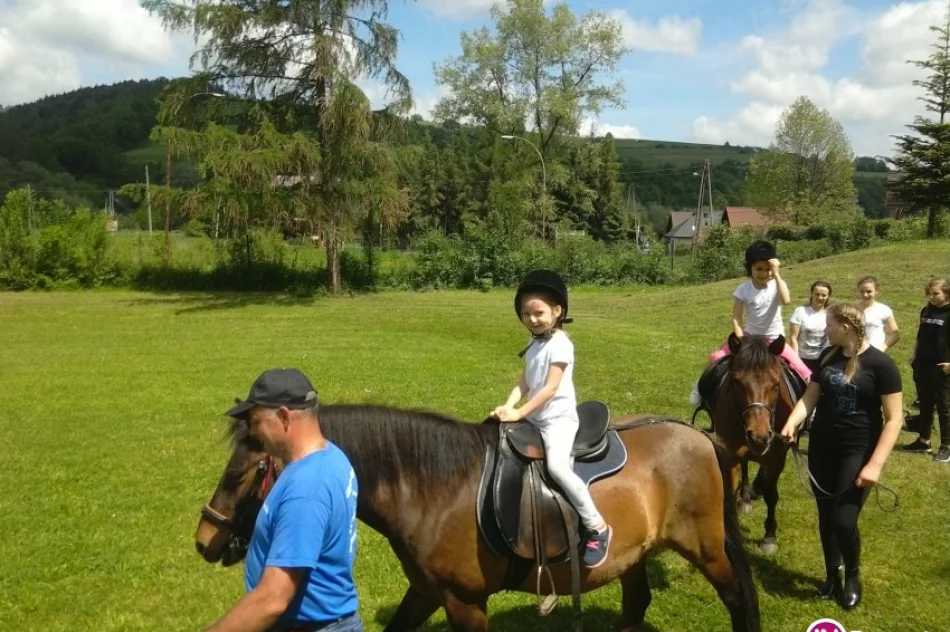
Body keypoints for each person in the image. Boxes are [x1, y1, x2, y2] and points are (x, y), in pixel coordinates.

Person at [208, 368, 362, 632]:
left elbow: (273, 600)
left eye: (255, 421)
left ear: (283, 416)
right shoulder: (333, 457)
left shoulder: (307, 487)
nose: (253, 432)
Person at [780, 303, 903, 611]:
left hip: (857, 449)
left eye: (830, 325)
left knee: (844, 519)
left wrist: (874, 465)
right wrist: (792, 422)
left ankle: (853, 574)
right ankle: (831, 575)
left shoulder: (881, 364)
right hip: (823, 445)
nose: (826, 330)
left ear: (846, 326)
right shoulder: (828, 356)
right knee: (825, 517)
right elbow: (811, 397)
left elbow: (894, 419)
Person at [491, 269, 612, 568]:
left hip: (557, 420)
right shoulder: (535, 344)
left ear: (557, 311)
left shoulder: (561, 345)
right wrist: (507, 406)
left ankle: (597, 526)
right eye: (525, 313)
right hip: (535, 416)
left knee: (557, 467)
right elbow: (525, 382)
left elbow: (550, 388)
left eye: (538, 312)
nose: (531, 319)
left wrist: (520, 413)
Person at [690, 240, 811, 405]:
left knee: (802, 370)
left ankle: (808, 410)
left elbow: (786, 300)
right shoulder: (743, 290)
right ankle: (700, 392)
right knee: (716, 359)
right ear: (750, 269)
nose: (764, 273)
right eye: (759, 269)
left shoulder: (777, 285)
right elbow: (736, 317)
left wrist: (777, 273)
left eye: (768, 269)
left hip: (774, 340)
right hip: (749, 336)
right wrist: (740, 339)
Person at [904, 277, 950, 462]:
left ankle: (946, 446)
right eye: (929, 293)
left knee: (944, 408)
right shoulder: (926, 310)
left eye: (936, 294)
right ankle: (924, 441)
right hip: (923, 366)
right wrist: (914, 355)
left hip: (942, 368)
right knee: (924, 405)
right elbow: (919, 335)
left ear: (947, 293)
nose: (931, 297)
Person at [789, 281, 833, 374]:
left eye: (823, 295)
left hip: (823, 360)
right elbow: (793, 338)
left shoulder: (831, 314)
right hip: (802, 359)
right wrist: (796, 362)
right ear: (811, 294)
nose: (820, 297)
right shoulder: (800, 312)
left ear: (828, 296)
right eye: (817, 294)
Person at [857, 276, 901, 351]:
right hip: (855, 353)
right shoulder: (851, 309)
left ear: (876, 291)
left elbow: (895, 334)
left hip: (874, 352)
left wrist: (882, 347)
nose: (865, 295)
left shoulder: (883, 310)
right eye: (862, 291)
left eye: (869, 291)